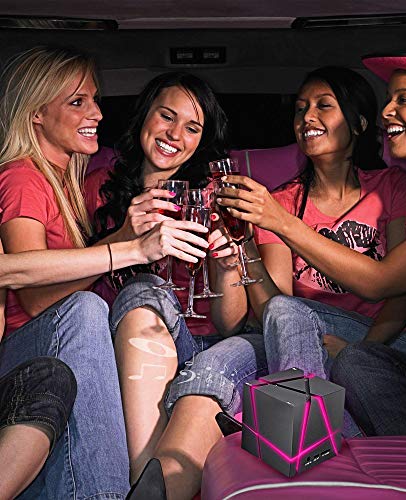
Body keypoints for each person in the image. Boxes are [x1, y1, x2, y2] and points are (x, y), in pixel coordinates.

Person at [217, 26, 406, 442]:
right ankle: (401, 451)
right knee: (356, 364)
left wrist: (280, 221)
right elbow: (275, 306)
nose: (388, 111)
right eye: (389, 99)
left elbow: (383, 282)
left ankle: (305, 439)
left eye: (404, 100)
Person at [0, 46, 207, 499]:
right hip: (24, 348)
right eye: (78, 102)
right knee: (86, 309)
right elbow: (34, 298)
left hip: (50, 342)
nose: (96, 112)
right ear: (36, 115)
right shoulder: (23, 177)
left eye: (94, 100)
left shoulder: (65, 181)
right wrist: (129, 247)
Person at [86, 72, 266, 500]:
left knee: (209, 372)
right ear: (144, 115)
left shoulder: (217, 197)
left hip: (212, 343)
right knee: (143, 289)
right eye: (167, 117)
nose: (175, 135)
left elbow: (229, 324)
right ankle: (144, 479)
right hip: (136, 347)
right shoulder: (98, 189)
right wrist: (127, 238)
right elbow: (75, 283)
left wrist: (226, 266)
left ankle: (144, 486)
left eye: (192, 127)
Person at [214, 66, 406, 382]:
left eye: (324, 105)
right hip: (309, 337)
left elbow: (402, 295)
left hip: (392, 340)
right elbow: (274, 311)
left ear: (358, 124)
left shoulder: (391, 187)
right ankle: (308, 411)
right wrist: (245, 244)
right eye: (300, 108)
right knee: (281, 315)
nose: (307, 117)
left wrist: (357, 352)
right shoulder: (278, 204)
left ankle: (304, 408)